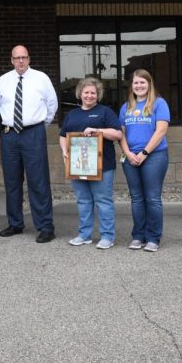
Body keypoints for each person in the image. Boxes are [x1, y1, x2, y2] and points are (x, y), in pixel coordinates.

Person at [0, 45, 58, 243]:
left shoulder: (41, 78)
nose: (20, 61)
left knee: (38, 181)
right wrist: (12, 125)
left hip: (33, 133)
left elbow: (51, 106)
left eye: (24, 57)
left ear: (29, 59)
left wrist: (36, 126)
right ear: (11, 60)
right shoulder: (3, 81)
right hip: (9, 135)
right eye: (17, 58)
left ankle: (45, 226)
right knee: (12, 182)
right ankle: (15, 223)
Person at [59, 77, 122, 249]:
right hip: (78, 165)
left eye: (93, 92)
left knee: (103, 201)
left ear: (98, 94)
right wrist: (65, 152)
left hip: (103, 166)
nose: (89, 95)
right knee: (83, 201)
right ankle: (84, 235)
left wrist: (97, 130)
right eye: (86, 92)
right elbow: (63, 135)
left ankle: (107, 237)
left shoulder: (105, 112)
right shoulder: (72, 115)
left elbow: (118, 134)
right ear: (80, 94)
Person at [119, 69, 170, 253]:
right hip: (131, 157)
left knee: (152, 198)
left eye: (142, 82)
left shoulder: (159, 103)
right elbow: (121, 134)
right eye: (135, 83)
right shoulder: (126, 107)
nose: (139, 86)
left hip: (154, 156)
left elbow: (161, 131)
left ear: (149, 84)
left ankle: (153, 238)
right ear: (131, 86)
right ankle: (138, 236)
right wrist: (128, 153)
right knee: (137, 198)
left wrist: (145, 152)